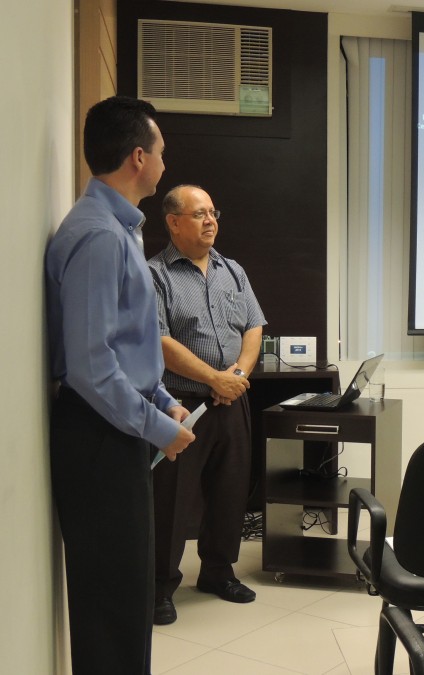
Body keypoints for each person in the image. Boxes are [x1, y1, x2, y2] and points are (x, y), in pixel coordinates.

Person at [45, 96, 196, 675]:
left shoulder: (119, 229)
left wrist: (162, 400)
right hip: (98, 435)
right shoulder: (101, 236)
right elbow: (90, 365)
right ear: (138, 157)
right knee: (112, 606)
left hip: (114, 425)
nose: (164, 161)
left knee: (127, 600)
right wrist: (158, 428)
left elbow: (126, 342)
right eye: (161, 151)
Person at [148, 184, 266, 625]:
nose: (210, 220)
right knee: (172, 500)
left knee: (230, 491)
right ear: (173, 222)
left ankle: (218, 572)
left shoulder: (232, 270)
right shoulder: (155, 274)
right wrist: (213, 378)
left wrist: (235, 377)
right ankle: (161, 586)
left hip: (231, 399)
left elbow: (253, 326)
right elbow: (160, 341)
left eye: (213, 212)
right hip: (180, 404)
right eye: (199, 214)